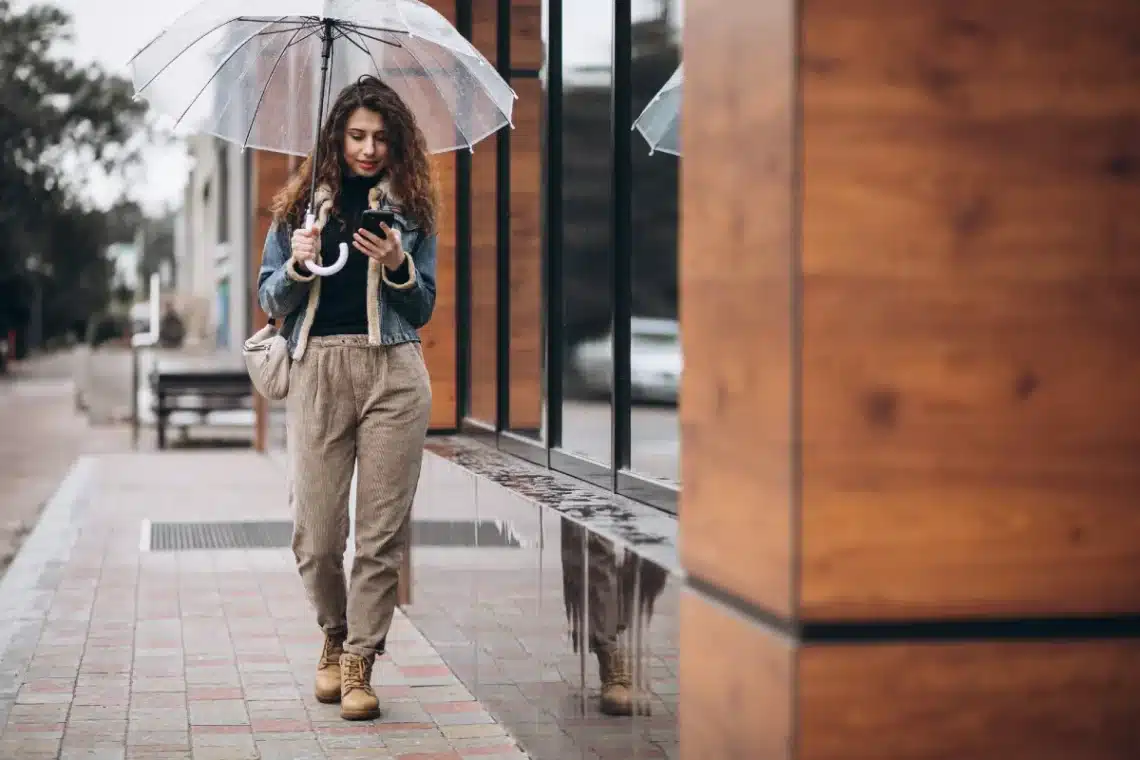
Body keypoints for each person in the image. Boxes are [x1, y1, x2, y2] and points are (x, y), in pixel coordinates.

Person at [257, 75, 438, 721]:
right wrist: (298, 262)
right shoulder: (299, 210)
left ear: (397, 144)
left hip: (393, 371)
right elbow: (268, 299)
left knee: (379, 536)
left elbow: (422, 306)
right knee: (316, 535)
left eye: (382, 139)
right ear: (337, 135)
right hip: (317, 373)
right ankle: (332, 633)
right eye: (357, 135)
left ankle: (360, 661)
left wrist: (396, 262)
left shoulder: (412, 211)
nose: (368, 149)